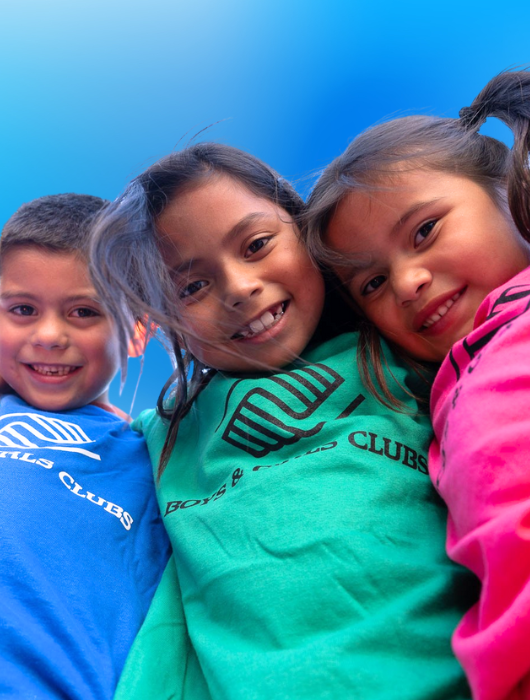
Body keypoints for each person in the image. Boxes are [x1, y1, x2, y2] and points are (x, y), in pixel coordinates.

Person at [90, 143, 475, 699]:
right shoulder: (168, 429)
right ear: (164, 319)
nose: (239, 287)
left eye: (256, 245)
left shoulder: (397, 348)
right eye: (192, 287)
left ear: (300, 226)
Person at [304, 69, 530, 700]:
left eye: (425, 231)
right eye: (372, 283)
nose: (406, 282)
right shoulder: (442, 388)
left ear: (509, 191)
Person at [0, 193, 171, 700]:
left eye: (83, 312)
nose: (49, 335)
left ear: (139, 329)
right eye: (23, 309)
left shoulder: (153, 456)